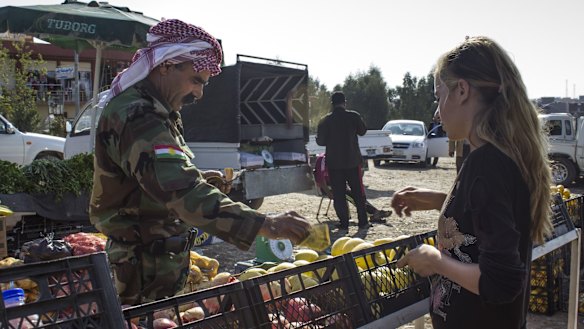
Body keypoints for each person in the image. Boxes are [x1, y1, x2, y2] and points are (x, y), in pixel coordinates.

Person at [90, 19, 311, 306]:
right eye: (196, 80)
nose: (199, 93)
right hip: (141, 273)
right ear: (166, 66)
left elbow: (154, 180)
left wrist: (197, 178)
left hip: (154, 265)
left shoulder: (157, 111)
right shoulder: (138, 115)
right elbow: (179, 192)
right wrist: (266, 224)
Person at [391, 36, 552, 329]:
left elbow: (501, 282)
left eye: (439, 96)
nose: (437, 112)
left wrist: (435, 261)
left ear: (462, 90)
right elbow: (490, 218)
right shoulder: (500, 156)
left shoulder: (486, 163)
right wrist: (441, 200)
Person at [315, 91, 370, 230]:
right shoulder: (353, 116)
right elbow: (363, 131)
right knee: (358, 192)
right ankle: (363, 221)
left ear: (332, 104)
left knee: (339, 195)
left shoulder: (325, 120)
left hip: (334, 164)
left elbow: (320, 142)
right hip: (352, 161)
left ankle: (344, 223)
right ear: (345, 103)